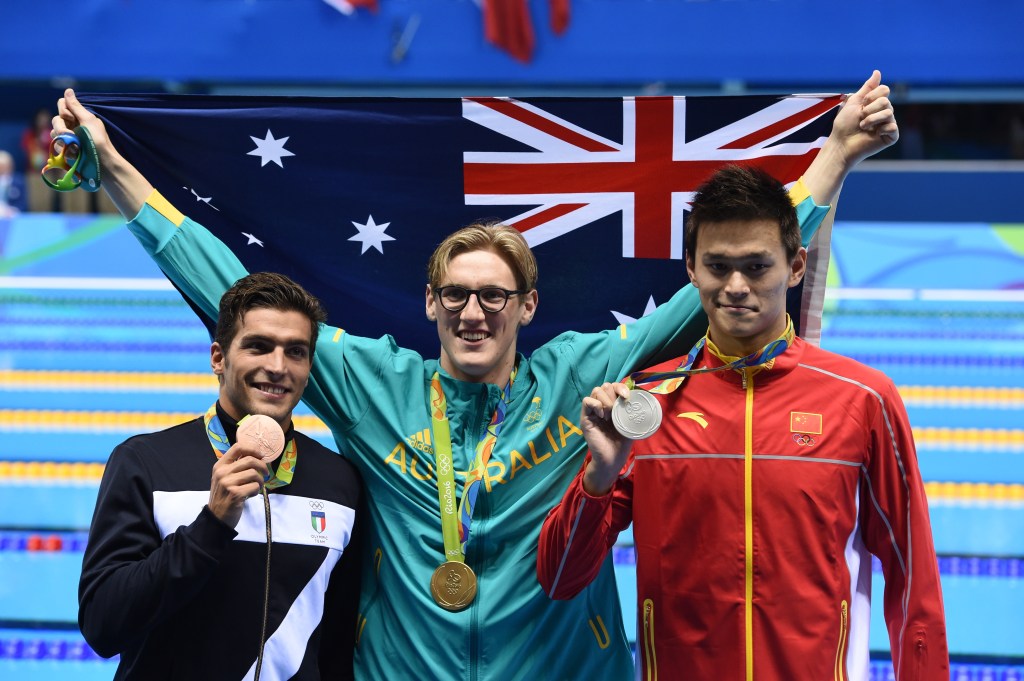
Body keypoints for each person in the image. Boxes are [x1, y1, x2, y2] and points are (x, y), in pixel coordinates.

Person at [58, 71, 897, 679]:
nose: (473, 312)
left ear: (528, 307)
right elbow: (224, 288)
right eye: (455, 294)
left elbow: (709, 290)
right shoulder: (371, 382)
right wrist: (116, 172)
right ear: (427, 303)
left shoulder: (583, 371)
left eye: (495, 296)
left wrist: (834, 159)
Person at [537, 165, 948, 680]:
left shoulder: (863, 399)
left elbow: (913, 574)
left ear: (795, 266)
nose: (735, 287)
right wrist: (598, 476)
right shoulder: (645, 404)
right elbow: (559, 578)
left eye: (756, 267)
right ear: (691, 268)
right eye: (717, 266)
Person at [78, 272, 363, 680]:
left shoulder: (339, 482)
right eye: (259, 347)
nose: (277, 366)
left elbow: (337, 648)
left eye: (295, 352)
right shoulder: (146, 462)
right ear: (218, 358)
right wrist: (211, 524)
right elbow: (103, 626)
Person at [0, 150, 28, 217]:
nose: (2, 169)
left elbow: (23, 204)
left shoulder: (18, 181)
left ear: (10, 166)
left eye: (4, 166)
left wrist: (13, 211)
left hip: (13, 216)